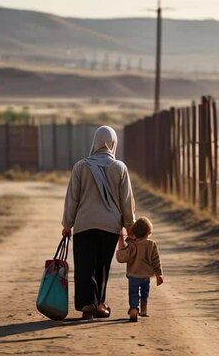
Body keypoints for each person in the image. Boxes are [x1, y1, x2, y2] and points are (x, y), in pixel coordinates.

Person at [62, 125, 135, 320]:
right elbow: (126, 201)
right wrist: (130, 227)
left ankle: (88, 307)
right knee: (102, 267)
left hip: (84, 225)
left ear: (94, 142)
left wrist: (67, 224)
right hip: (109, 226)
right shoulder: (120, 168)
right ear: (113, 143)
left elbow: (73, 198)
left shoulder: (81, 166)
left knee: (84, 266)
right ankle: (100, 304)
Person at [116, 217, 163, 322]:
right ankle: (143, 310)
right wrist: (159, 274)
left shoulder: (132, 245)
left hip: (133, 276)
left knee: (133, 293)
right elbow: (156, 260)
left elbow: (121, 258)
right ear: (148, 232)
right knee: (145, 292)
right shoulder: (151, 245)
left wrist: (122, 241)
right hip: (146, 276)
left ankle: (133, 309)